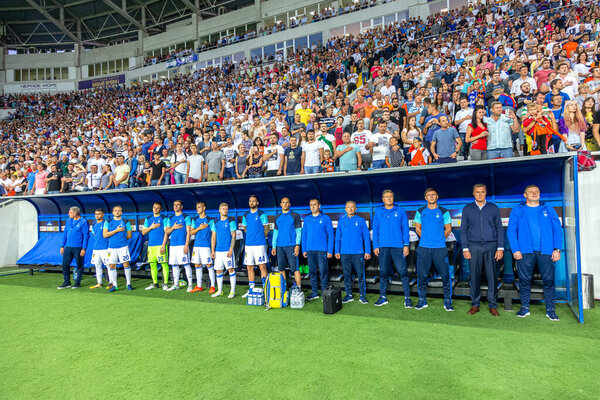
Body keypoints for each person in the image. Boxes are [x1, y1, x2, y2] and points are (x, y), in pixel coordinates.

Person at [507, 185, 563, 321]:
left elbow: (557, 230)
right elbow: (511, 231)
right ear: (525, 195)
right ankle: (525, 308)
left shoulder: (549, 209)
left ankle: (550, 310)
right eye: (531, 192)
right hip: (525, 252)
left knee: (549, 281)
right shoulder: (517, 210)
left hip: (547, 252)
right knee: (525, 281)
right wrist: (515, 250)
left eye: (537, 191)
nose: (534, 193)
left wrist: (557, 249)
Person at [460, 184, 504, 316]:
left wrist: (500, 248)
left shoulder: (493, 208)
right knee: (474, 276)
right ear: (473, 194)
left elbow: (499, 228)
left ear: (486, 193)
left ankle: (492, 305)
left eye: (482, 192)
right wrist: (465, 248)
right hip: (473, 246)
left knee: (492, 276)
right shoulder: (467, 209)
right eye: (477, 192)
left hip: (491, 246)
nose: (480, 194)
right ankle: (475, 304)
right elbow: (463, 230)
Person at [414, 188, 453, 311]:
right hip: (424, 248)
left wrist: (439, 239)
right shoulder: (420, 211)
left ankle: (447, 301)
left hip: (440, 248)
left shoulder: (444, 211)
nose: (431, 197)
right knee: (422, 275)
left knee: (445, 275)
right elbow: (418, 229)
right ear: (425, 198)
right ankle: (422, 300)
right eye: (428, 195)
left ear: (437, 196)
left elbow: (448, 229)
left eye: (433, 195)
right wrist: (427, 239)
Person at [372, 190, 411, 307]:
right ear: (383, 199)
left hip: (398, 247)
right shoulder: (378, 212)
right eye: (386, 197)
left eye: (390, 197)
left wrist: (406, 245)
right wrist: (375, 246)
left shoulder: (401, 211)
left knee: (403, 272)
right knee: (383, 272)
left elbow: (405, 229)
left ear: (393, 198)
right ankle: (383, 297)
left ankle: (407, 298)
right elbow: (375, 231)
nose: (388, 198)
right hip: (383, 247)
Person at [335, 200, 371, 304]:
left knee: (360, 274)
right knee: (346, 274)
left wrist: (367, 251)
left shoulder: (361, 220)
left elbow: (366, 237)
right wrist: (337, 250)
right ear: (345, 209)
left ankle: (362, 296)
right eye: (348, 207)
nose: (350, 209)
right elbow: (338, 237)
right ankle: (349, 295)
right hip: (344, 253)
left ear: (355, 209)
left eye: (352, 207)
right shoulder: (341, 221)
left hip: (358, 252)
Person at [301, 198, 334, 301]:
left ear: (319, 206)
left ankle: (324, 293)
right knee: (312, 272)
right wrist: (304, 249)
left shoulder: (326, 218)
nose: (313, 207)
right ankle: (314, 292)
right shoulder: (307, 219)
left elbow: (331, 235)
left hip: (322, 250)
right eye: (311, 205)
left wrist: (330, 250)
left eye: (314, 205)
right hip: (310, 250)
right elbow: (304, 235)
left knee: (323, 271)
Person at [241, 195, 270, 297]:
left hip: (259, 244)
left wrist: (261, 238)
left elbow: (267, 229)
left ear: (257, 202)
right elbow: (245, 229)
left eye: (254, 201)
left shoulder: (262, 214)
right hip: (249, 245)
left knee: (262, 266)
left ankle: (266, 288)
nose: (252, 203)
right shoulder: (245, 215)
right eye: (250, 201)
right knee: (249, 267)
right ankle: (251, 289)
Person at [271, 197, 302, 288]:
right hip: (280, 246)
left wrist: (297, 245)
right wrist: (273, 246)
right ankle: (283, 289)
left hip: (291, 246)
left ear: (289, 204)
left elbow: (298, 231)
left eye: (287, 202)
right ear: (280, 204)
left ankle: (298, 289)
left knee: (295, 269)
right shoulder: (278, 216)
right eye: (283, 203)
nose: (285, 204)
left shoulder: (295, 215)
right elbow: (275, 233)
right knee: (281, 269)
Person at [164, 200, 194, 292]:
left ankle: (190, 285)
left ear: (181, 207)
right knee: (174, 264)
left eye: (178, 205)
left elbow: (189, 233)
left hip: (182, 245)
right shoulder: (171, 218)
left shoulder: (186, 217)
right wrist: (173, 227)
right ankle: (176, 284)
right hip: (173, 245)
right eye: (174, 205)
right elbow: (167, 232)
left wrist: (186, 245)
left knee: (186, 264)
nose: (176, 207)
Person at [57, 206, 89, 289]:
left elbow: (86, 236)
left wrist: (84, 248)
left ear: (75, 213)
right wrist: (62, 246)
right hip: (68, 247)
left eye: (70, 212)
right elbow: (65, 234)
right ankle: (67, 282)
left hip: (78, 247)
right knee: (65, 265)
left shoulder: (83, 222)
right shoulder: (68, 221)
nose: (68, 214)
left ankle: (77, 282)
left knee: (79, 265)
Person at [210, 202, 238, 298]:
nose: (225, 210)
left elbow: (233, 236)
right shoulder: (215, 222)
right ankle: (220, 291)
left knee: (230, 270)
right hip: (218, 251)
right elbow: (213, 237)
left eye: (226, 209)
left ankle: (232, 291)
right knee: (218, 270)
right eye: (223, 208)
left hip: (227, 251)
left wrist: (231, 249)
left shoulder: (231, 221)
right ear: (219, 210)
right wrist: (213, 250)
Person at [140, 202, 170, 291]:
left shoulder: (164, 218)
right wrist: (151, 227)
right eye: (154, 207)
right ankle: (155, 283)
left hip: (160, 245)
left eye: (158, 208)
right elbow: (143, 232)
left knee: (164, 264)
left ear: (160, 209)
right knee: (152, 264)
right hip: (151, 246)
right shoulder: (148, 219)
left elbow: (166, 233)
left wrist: (163, 245)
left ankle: (165, 283)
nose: (155, 209)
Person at [103, 205, 133, 292]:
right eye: (115, 210)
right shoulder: (108, 222)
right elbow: (105, 235)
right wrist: (116, 231)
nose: (117, 212)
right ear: (113, 212)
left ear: (121, 212)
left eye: (119, 211)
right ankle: (115, 285)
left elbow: (130, 235)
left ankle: (128, 284)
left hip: (123, 247)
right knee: (112, 265)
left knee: (126, 264)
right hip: (112, 248)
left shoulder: (125, 222)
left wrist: (122, 238)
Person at [190, 201, 216, 293]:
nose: (197, 209)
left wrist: (213, 249)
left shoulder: (210, 220)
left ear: (204, 208)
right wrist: (199, 228)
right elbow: (191, 232)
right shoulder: (195, 219)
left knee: (209, 265)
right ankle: (199, 285)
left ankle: (212, 286)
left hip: (206, 246)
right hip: (197, 246)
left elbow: (213, 235)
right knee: (197, 265)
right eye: (197, 207)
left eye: (199, 207)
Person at [89, 209, 110, 289]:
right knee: (97, 266)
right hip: (96, 249)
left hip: (105, 248)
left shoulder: (106, 223)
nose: (97, 215)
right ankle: (99, 283)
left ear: (103, 214)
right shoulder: (94, 225)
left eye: (99, 214)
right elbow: (95, 235)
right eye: (96, 214)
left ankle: (111, 283)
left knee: (108, 265)